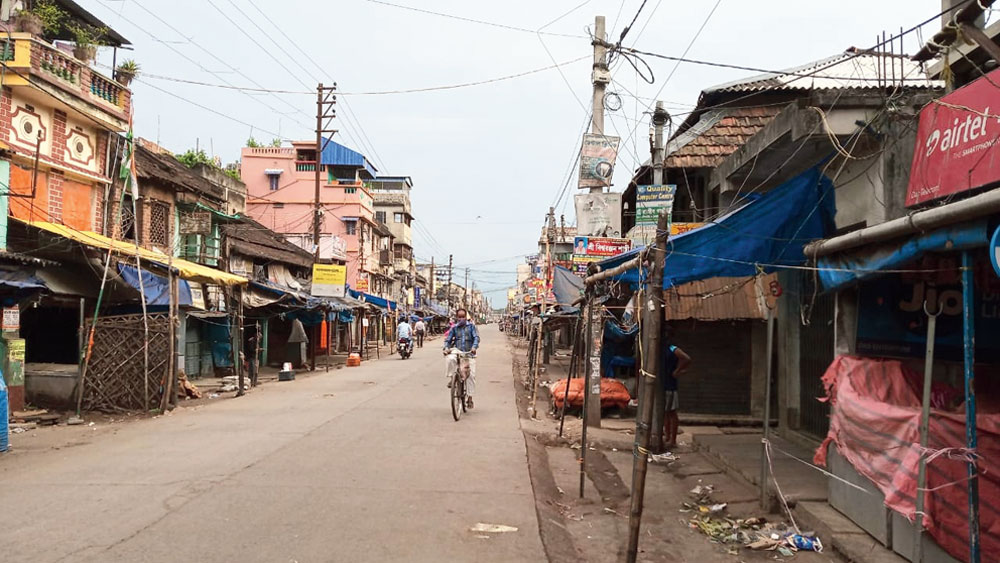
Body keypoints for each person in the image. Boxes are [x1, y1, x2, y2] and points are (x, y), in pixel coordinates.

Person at [660, 326, 692, 451]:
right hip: (664, 384)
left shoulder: (672, 348)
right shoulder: (662, 349)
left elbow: (687, 358)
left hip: (670, 386)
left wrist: (678, 371)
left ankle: (672, 440)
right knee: (666, 413)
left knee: (671, 413)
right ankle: (668, 437)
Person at [443, 308, 480, 408]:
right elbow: (448, 340)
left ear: (466, 317)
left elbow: (476, 338)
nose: (461, 319)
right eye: (459, 317)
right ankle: (452, 378)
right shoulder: (454, 328)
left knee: (471, 375)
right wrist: (446, 348)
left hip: (469, 352)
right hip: (458, 350)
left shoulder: (471, 327)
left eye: (463, 317)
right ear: (456, 317)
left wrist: (474, 347)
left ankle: (470, 398)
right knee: (450, 358)